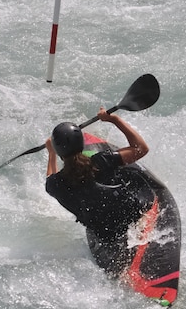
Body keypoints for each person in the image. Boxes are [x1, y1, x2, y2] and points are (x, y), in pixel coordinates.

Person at [45, 107, 155, 277]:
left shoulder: (55, 185)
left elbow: (50, 177)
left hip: (104, 235)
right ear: (81, 144)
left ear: (59, 151)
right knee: (128, 177)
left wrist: (51, 154)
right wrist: (114, 120)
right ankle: (142, 228)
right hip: (131, 218)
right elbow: (141, 148)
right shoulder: (102, 160)